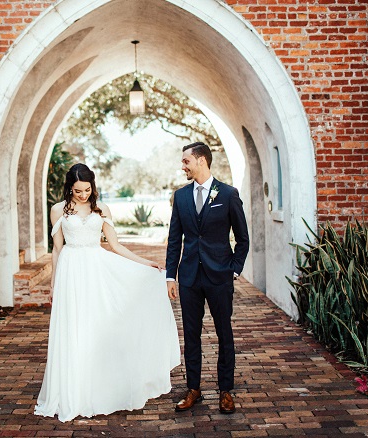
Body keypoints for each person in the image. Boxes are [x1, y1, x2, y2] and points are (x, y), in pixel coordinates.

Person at [34, 163, 180, 422]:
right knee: (73, 329)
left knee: (95, 327)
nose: (83, 195)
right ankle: (72, 391)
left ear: (93, 187)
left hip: (96, 271)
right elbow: (57, 250)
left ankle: (98, 388)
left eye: (87, 190)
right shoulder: (57, 210)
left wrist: (147, 263)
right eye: (78, 191)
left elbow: (115, 245)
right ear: (69, 188)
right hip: (70, 273)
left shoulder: (101, 209)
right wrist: (54, 285)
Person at [166, 142, 249, 414]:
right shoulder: (180, 197)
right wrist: (171, 276)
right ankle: (194, 389)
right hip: (189, 276)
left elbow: (243, 239)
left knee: (224, 333)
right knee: (191, 336)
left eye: (186, 161)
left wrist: (233, 269)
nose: (183, 166)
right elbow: (174, 240)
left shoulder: (228, 193)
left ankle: (225, 391)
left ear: (201, 160)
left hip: (219, 276)